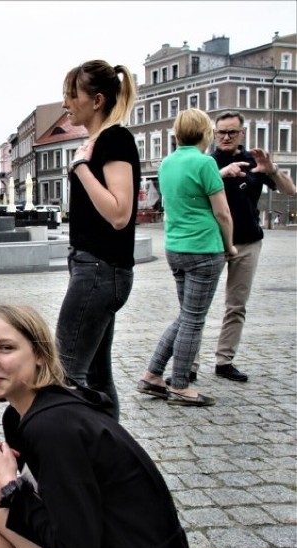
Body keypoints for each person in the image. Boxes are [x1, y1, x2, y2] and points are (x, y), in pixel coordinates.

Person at [0, 304, 192, 548]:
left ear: (40, 355)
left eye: (6, 347)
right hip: (112, 545)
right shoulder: (21, 414)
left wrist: (10, 482)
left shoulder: (52, 427)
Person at [54, 60, 141, 420]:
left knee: (64, 375)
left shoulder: (115, 139)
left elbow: (120, 213)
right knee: (96, 378)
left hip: (100, 270)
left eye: (71, 95)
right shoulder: (98, 141)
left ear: (97, 100)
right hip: (94, 269)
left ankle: (60, 464)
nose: (65, 104)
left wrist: (81, 169)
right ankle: (114, 460)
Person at [137, 109, 236, 407]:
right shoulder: (205, 162)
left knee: (186, 317)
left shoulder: (167, 163)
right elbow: (222, 212)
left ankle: (152, 374)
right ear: (205, 132)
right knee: (193, 321)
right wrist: (229, 246)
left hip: (175, 248)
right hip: (204, 248)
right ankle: (179, 386)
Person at [200, 111, 296, 382]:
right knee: (198, 307)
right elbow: (193, 190)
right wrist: (221, 173)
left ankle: (224, 361)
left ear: (242, 133)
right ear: (214, 134)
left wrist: (273, 170)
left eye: (232, 132)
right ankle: (189, 365)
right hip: (213, 242)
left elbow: (290, 191)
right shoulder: (208, 162)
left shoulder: (254, 160)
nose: (226, 137)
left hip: (248, 241)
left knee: (236, 305)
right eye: (221, 133)